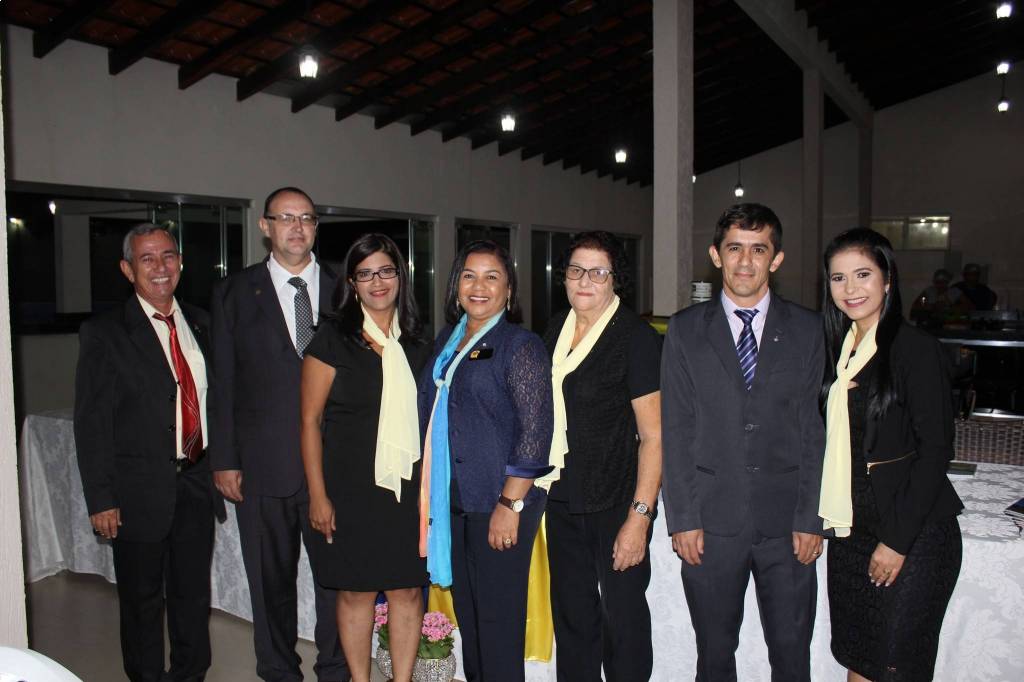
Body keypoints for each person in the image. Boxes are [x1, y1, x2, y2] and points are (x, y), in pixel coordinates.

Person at [660, 203, 826, 681]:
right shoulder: (685, 330)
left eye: (759, 249)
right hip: (711, 524)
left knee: (791, 655)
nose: (746, 261)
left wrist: (811, 517)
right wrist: (684, 518)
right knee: (714, 654)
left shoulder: (810, 329)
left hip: (788, 525)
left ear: (777, 259)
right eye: (735, 248)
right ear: (716, 255)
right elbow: (676, 428)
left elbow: (816, 430)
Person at [74, 223, 225, 682]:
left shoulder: (203, 322)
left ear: (181, 262)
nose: (160, 267)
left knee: (192, 596)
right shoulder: (105, 333)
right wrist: (101, 499)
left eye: (168, 256)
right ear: (127, 269)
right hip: (136, 491)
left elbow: (219, 401)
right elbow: (92, 422)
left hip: (196, 481)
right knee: (141, 602)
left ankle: (190, 675)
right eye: (147, 258)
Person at [208, 187, 347, 681]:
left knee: (338, 582)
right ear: (264, 226)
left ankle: (336, 669)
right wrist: (224, 458)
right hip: (262, 466)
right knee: (270, 585)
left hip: (335, 466)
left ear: (316, 227)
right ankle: (278, 671)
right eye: (286, 218)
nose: (297, 227)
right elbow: (222, 381)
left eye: (306, 218)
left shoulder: (345, 288)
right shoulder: (233, 293)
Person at [819, 228, 963, 682]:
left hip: (910, 535)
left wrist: (897, 542)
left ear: (887, 279)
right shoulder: (838, 349)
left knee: (895, 666)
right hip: (851, 534)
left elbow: (935, 451)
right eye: (838, 278)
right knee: (860, 662)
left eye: (862, 274)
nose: (851, 288)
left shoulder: (914, 348)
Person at [417, 240, 553, 682]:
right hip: (455, 501)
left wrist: (509, 505)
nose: (479, 286)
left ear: (508, 290)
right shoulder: (448, 341)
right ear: (455, 285)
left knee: (497, 624)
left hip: (499, 502)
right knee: (471, 621)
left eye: (492, 277)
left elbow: (535, 434)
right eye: (469, 276)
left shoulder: (520, 345)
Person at [300, 234, 430, 682]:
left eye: (386, 271)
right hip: (348, 490)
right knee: (355, 593)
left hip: (406, 491)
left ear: (400, 276)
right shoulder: (331, 340)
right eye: (365, 273)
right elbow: (309, 422)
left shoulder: (419, 344)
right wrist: (318, 496)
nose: (378, 282)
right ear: (352, 283)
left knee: (407, 591)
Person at [540, 231, 662, 681]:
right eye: (576, 270)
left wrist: (639, 518)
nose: (584, 280)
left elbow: (654, 437)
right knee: (573, 619)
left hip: (616, 502)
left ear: (615, 279)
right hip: (561, 497)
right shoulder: (555, 329)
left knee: (623, 621)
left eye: (597, 272)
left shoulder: (636, 338)